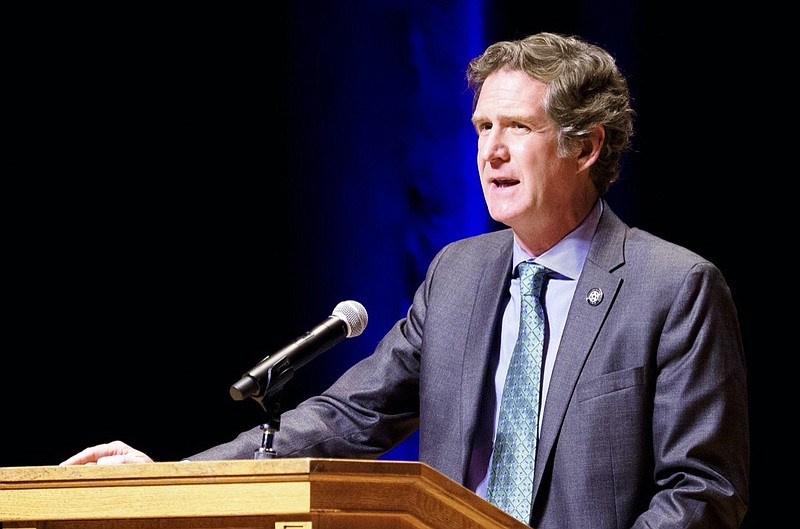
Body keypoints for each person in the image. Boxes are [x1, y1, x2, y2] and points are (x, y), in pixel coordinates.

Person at [60, 32, 750, 528]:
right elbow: (346, 418)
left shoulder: (674, 288)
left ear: (587, 144)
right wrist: (174, 476)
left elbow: (701, 492)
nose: (492, 152)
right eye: (482, 127)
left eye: (517, 126)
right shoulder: (458, 275)